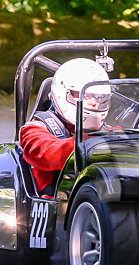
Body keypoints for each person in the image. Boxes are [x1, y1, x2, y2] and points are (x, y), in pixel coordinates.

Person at [19, 58, 112, 196]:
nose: (94, 102)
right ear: (63, 93)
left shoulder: (108, 132)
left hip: (99, 198)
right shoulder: (34, 129)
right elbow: (46, 154)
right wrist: (94, 143)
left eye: (99, 97)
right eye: (85, 95)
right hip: (56, 203)